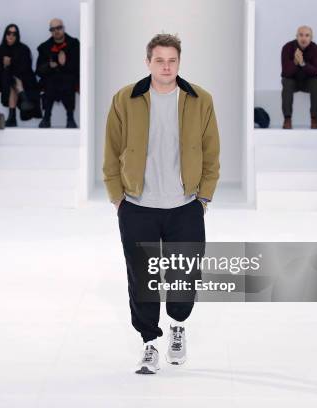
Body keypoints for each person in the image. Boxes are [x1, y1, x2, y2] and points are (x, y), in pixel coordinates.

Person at [103, 34, 219, 374]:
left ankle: (178, 326)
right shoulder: (125, 98)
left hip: (185, 205)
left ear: (179, 62)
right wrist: (117, 197)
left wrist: (204, 198)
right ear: (148, 62)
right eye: (159, 60)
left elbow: (212, 151)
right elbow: (110, 150)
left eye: (172, 60)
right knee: (142, 278)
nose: (166, 66)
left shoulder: (200, 99)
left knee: (185, 276)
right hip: (138, 205)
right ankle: (149, 343)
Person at [0, 23, 42, 127]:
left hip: (24, 78)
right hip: (5, 80)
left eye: (14, 34)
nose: (11, 36)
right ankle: (23, 97)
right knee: (9, 77)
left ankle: (12, 118)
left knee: (12, 79)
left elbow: (26, 68)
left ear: (17, 36)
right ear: (5, 35)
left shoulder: (24, 49)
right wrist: (5, 66)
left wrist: (11, 65)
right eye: (9, 33)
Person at [36, 18, 79, 128]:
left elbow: (78, 66)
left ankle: (70, 118)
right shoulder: (44, 47)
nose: (56, 31)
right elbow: (38, 70)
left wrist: (64, 64)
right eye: (53, 29)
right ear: (50, 31)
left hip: (68, 79)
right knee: (50, 82)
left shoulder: (74, 44)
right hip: (51, 80)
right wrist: (49, 66)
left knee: (68, 81)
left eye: (59, 28)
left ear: (63, 28)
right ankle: (46, 118)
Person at [281, 26, 317, 129]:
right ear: (296, 36)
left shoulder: (315, 48)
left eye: (307, 35)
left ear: (311, 37)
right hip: (292, 81)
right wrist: (295, 62)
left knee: (316, 83)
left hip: (307, 81)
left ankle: (314, 118)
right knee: (287, 82)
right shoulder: (287, 47)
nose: (304, 38)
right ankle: (287, 118)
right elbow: (285, 73)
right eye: (301, 35)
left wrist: (303, 63)